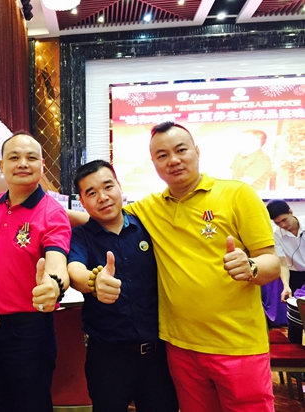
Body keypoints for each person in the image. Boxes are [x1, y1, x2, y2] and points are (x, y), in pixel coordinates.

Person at [69, 121, 280, 412]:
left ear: (197, 151)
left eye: (180, 150)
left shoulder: (237, 194)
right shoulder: (151, 208)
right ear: (154, 162)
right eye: (162, 155)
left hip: (237, 345)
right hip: (180, 348)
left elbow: (272, 263)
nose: (173, 160)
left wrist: (251, 267)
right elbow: (104, 219)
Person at [0, 131, 71, 412]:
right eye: (14, 157)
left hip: (29, 332)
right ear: (2, 166)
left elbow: (57, 263)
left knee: (31, 405)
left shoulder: (52, 213)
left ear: (42, 166)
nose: (23, 163)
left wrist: (54, 284)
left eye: (31, 157)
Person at [67, 160, 178, 412]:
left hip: (158, 356)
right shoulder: (81, 236)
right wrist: (94, 281)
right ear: (82, 201)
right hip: (107, 358)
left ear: (119, 186)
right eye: (91, 193)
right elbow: (75, 271)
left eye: (108, 187)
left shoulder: (148, 227)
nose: (103, 197)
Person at [266, 199, 305, 343]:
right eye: (277, 223)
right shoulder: (276, 234)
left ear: (290, 212)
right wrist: (286, 286)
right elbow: (282, 264)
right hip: (295, 274)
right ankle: (294, 350)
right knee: (295, 317)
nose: (282, 225)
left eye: (284, 220)